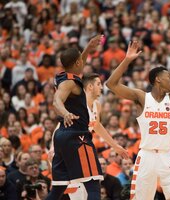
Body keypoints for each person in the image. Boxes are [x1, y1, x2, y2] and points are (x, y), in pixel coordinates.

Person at [106, 32, 170, 200]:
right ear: (158, 79)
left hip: (167, 155)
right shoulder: (142, 97)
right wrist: (127, 60)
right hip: (146, 156)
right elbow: (111, 84)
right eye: (169, 77)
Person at [46, 35, 128, 200]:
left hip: (63, 137)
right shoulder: (69, 84)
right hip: (77, 137)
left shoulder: (64, 75)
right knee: (93, 186)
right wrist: (65, 113)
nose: (83, 62)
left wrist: (88, 49)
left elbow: (76, 65)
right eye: (98, 84)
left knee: (57, 190)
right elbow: (56, 101)